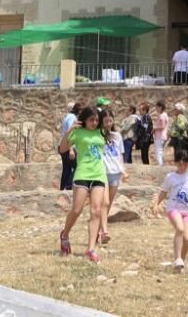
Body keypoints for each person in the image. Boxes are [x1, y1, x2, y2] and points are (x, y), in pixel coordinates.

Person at [58, 106, 108, 263]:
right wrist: (69, 131)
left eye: (96, 120)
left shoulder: (101, 133)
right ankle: (65, 234)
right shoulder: (78, 133)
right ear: (84, 119)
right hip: (82, 174)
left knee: (96, 211)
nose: (94, 122)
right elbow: (62, 149)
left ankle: (91, 248)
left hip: (99, 174)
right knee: (77, 209)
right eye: (91, 119)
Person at [151, 148, 188, 273]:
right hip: (173, 209)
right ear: (175, 163)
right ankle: (177, 258)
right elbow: (163, 192)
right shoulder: (170, 177)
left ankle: (180, 262)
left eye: (185, 164)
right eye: (179, 164)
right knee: (180, 228)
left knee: (187, 239)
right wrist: (156, 204)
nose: (182, 167)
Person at [99, 108, 127, 245]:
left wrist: (123, 170)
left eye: (110, 120)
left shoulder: (117, 136)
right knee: (103, 203)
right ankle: (105, 232)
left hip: (115, 173)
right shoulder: (97, 135)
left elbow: (120, 154)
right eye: (106, 121)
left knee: (108, 204)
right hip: (103, 172)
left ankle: (98, 230)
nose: (108, 123)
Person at [58, 101, 81, 190]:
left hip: (64, 146)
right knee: (78, 166)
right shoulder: (72, 118)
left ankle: (63, 187)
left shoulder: (67, 117)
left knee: (66, 169)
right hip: (68, 147)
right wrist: (71, 149)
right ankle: (68, 186)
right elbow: (70, 133)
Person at [152, 101, 169, 166]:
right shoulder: (165, 115)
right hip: (163, 136)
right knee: (160, 152)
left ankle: (160, 165)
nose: (156, 109)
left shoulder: (161, 116)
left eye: (157, 107)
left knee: (158, 151)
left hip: (159, 136)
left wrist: (155, 128)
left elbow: (162, 126)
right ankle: (162, 164)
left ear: (160, 107)